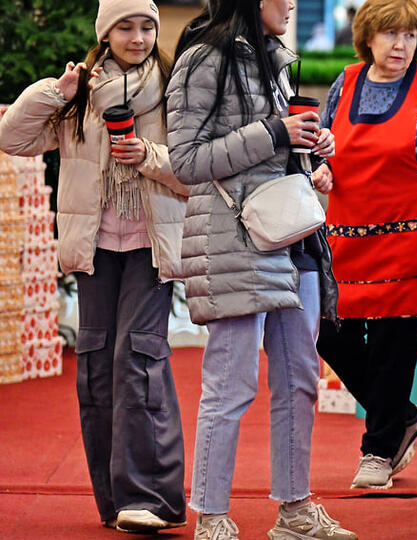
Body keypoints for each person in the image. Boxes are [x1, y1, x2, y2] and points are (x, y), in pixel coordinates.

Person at [165, 0, 354, 538]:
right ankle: (212, 515)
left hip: (293, 238)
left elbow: (273, 149)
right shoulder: (204, 58)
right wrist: (276, 132)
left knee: (298, 381)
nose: (292, 2)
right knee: (231, 385)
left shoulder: (272, 59)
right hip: (234, 242)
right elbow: (187, 162)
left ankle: (294, 510)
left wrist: (313, 156)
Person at [0, 0, 188, 533]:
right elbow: (12, 138)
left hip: (152, 247)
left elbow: (199, 171)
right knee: (97, 369)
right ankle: (115, 502)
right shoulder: (78, 93)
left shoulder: (175, 87)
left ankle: (151, 497)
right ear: (105, 32)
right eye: (125, 26)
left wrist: (146, 156)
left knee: (138, 359)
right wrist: (53, 94)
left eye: (147, 26)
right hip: (94, 249)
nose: (138, 37)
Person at [315, 0, 417, 489]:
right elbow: (324, 145)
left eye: (409, 36)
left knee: (390, 351)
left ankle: (377, 452)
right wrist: (320, 167)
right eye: (389, 35)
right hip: (347, 243)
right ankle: (405, 416)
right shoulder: (346, 82)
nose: (400, 45)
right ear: (368, 39)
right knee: (330, 335)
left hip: (413, 245)